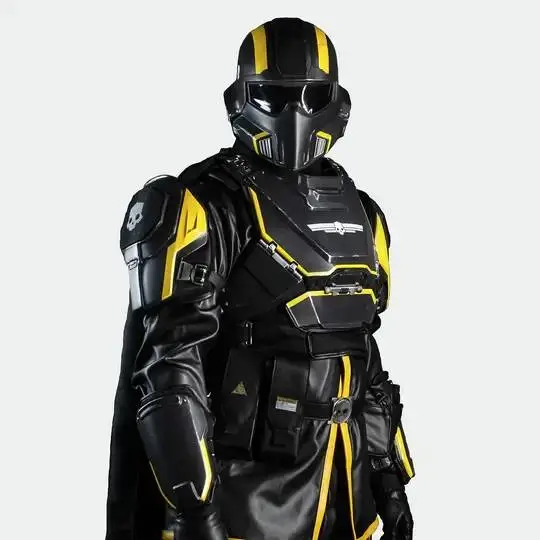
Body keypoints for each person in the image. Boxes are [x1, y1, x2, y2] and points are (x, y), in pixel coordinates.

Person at [106, 17, 415, 540]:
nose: (295, 115)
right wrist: (195, 511)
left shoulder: (364, 215)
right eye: (275, 96)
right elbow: (169, 373)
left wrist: (389, 479)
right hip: (245, 503)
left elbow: (363, 362)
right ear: (240, 98)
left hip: (345, 496)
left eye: (311, 96)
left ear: (337, 102)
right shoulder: (205, 204)